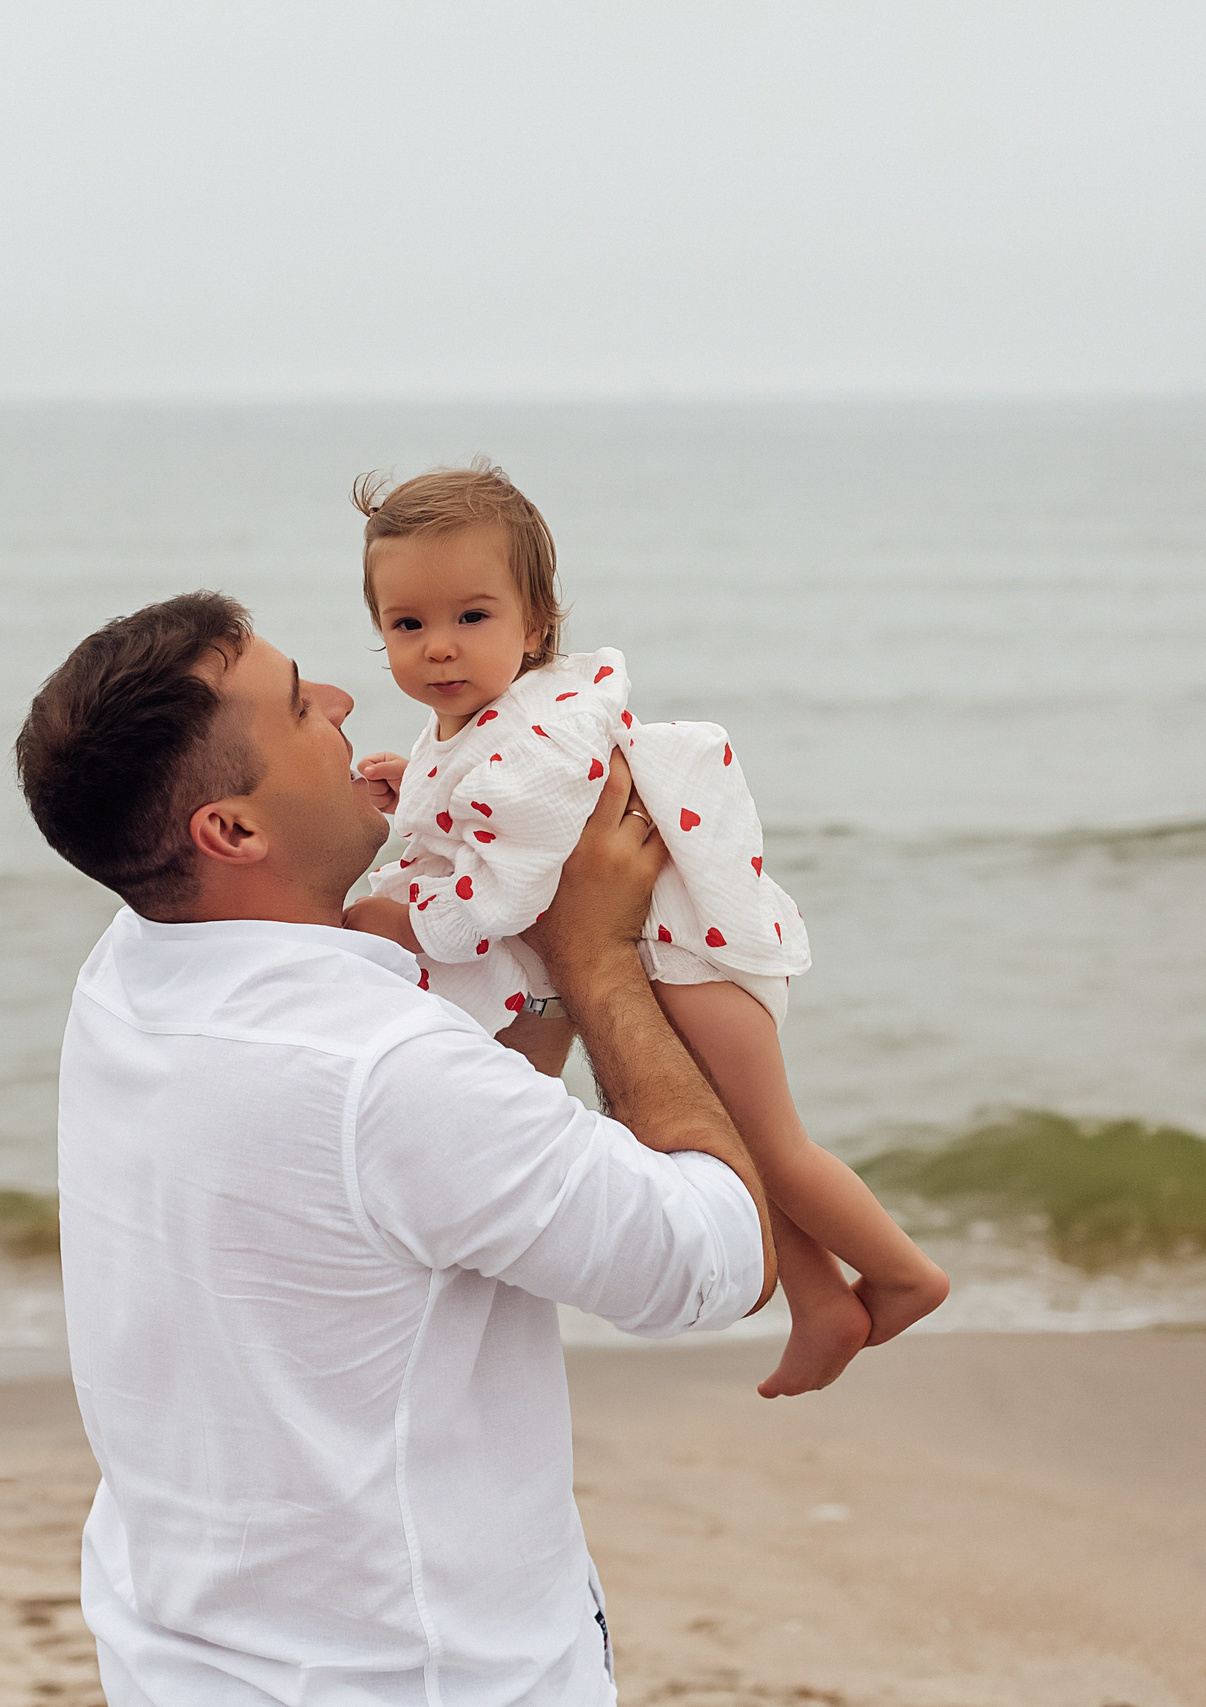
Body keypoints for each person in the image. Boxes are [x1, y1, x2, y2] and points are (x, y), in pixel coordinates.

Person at [16, 590, 782, 1704]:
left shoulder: (131, 964)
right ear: (230, 832)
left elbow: (460, 1169)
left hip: (178, 1655)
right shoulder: (380, 1074)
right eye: (295, 706)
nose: (338, 697)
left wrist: (516, 924)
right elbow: (717, 1260)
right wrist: (597, 955)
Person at [342, 464, 949, 1400]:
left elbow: (510, 887)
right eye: (407, 625)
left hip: (689, 957)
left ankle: (906, 1273)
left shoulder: (539, 733)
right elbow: (469, 814)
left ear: (535, 623)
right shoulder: (472, 728)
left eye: (473, 616)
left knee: (771, 1142)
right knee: (731, 1146)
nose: (439, 648)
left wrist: (407, 909)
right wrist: (410, 796)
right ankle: (823, 1302)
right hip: (658, 958)